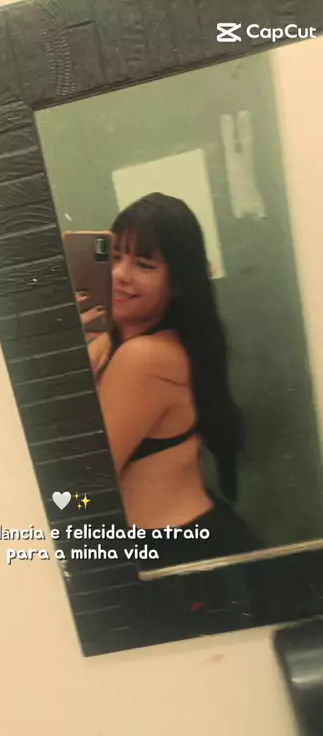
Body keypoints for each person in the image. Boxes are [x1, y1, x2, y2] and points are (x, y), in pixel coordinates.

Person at [77, 192, 261, 568]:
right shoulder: (115, 343)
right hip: (174, 543)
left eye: (144, 264)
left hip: (178, 552)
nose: (120, 274)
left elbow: (86, 479)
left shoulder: (144, 357)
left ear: (177, 283)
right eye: (114, 256)